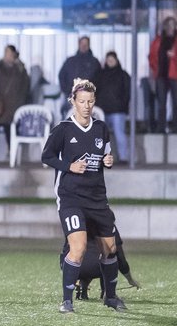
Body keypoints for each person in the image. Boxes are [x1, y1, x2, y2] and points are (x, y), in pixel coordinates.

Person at [41, 78, 126, 314]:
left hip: (97, 197)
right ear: (73, 102)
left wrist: (109, 162)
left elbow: (106, 156)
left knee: (110, 248)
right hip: (71, 198)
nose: (86, 105)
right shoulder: (63, 130)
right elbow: (46, 157)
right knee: (77, 248)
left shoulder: (101, 128)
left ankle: (110, 297)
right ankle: (67, 301)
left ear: (94, 101)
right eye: (82, 101)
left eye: (90, 101)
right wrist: (69, 166)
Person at [63, 227, 141, 299]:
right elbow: (120, 257)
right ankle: (106, 292)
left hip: (74, 266)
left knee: (81, 255)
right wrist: (130, 279)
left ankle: (81, 283)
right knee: (109, 257)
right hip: (97, 266)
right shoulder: (106, 223)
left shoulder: (76, 223)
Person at [148, 16, 177, 133]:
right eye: (168, 25)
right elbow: (151, 56)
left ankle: (176, 127)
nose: (170, 27)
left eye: (173, 25)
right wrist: (155, 68)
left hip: (175, 75)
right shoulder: (158, 40)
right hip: (161, 75)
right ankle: (161, 127)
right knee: (161, 103)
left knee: (176, 102)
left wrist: (175, 55)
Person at [0, 44, 30, 162]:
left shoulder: (20, 69)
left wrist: (21, 100)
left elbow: (25, 86)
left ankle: (12, 152)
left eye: (9, 52)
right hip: (1, 104)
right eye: (5, 52)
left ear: (14, 54)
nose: (7, 55)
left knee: (12, 127)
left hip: (15, 105)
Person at [93, 51, 132, 163]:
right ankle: (99, 158)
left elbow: (128, 93)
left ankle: (123, 157)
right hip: (102, 110)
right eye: (108, 59)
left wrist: (123, 105)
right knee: (100, 137)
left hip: (118, 111)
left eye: (112, 59)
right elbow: (94, 90)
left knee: (120, 134)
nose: (110, 62)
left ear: (116, 60)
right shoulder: (100, 75)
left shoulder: (123, 75)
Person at [58, 35, 101, 101]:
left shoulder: (95, 62)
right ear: (79, 44)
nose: (84, 46)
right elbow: (61, 75)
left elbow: (100, 79)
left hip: (88, 99)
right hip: (71, 98)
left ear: (89, 45)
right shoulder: (70, 61)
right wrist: (66, 90)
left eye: (86, 44)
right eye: (82, 43)